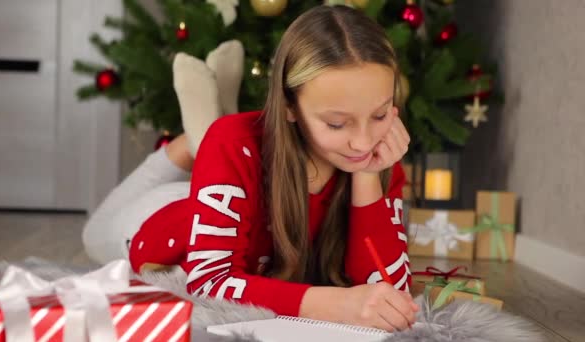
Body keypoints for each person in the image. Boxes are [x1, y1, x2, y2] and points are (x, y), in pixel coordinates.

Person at [83, 5, 417, 332]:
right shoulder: (235, 144)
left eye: (379, 114)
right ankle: (194, 140)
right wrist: (336, 305)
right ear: (288, 106)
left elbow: (391, 293)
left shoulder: (376, 151)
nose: (362, 142)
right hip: (161, 220)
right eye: (336, 123)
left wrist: (368, 176)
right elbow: (209, 281)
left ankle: (206, 135)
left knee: (226, 151)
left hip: (232, 193)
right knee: (93, 234)